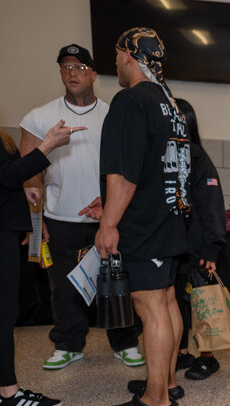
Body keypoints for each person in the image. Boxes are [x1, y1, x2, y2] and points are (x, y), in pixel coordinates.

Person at [0, 46, 81, 406]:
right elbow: (5, 175)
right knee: (1, 309)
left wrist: (22, 195)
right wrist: (47, 146)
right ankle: (9, 394)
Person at [19, 43, 144, 371]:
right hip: (60, 217)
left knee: (117, 283)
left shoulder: (112, 114)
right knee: (64, 289)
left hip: (109, 218)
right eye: (66, 66)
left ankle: (125, 341)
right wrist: (36, 223)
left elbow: (128, 167)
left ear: (93, 74)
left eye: (80, 67)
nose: (72, 72)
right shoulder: (39, 117)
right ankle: (68, 344)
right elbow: (29, 176)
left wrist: (111, 211)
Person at [95, 28, 190, 406]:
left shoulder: (130, 100)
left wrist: (108, 223)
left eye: (117, 55)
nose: (116, 63)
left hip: (144, 221)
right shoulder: (171, 104)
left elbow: (124, 174)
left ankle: (156, 399)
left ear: (129, 56)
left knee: (150, 308)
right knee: (165, 301)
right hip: (171, 218)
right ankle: (166, 381)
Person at [172, 97, 226, 380]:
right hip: (173, 247)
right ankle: (181, 351)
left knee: (203, 304)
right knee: (177, 303)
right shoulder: (166, 155)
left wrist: (212, 248)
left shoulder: (197, 158)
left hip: (197, 248)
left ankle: (208, 357)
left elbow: (211, 206)